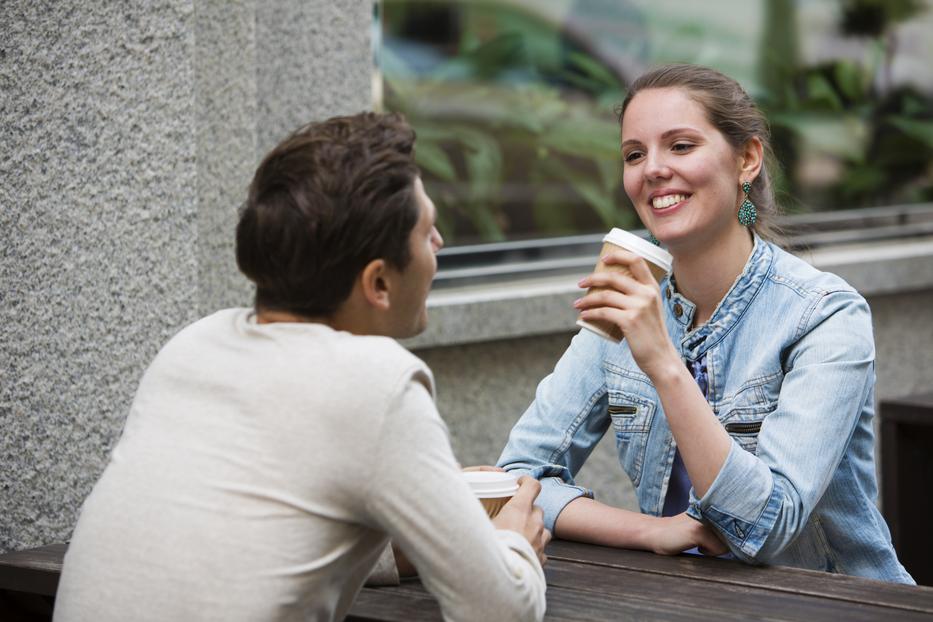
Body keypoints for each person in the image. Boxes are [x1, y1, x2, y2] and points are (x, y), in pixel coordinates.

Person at [55, 112, 549, 622]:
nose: (440, 242)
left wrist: (419, 533)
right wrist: (513, 543)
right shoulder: (377, 383)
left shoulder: (193, 345)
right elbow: (500, 611)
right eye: (427, 231)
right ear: (378, 283)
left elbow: (251, 537)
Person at [498, 64, 914, 583]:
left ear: (747, 158)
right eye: (634, 154)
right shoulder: (630, 304)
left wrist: (663, 364)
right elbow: (517, 477)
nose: (652, 169)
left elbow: (766, 526)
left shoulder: (825, 315)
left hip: (839, 605)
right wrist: (651, 531)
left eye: (680, 146)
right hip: (691, 602)